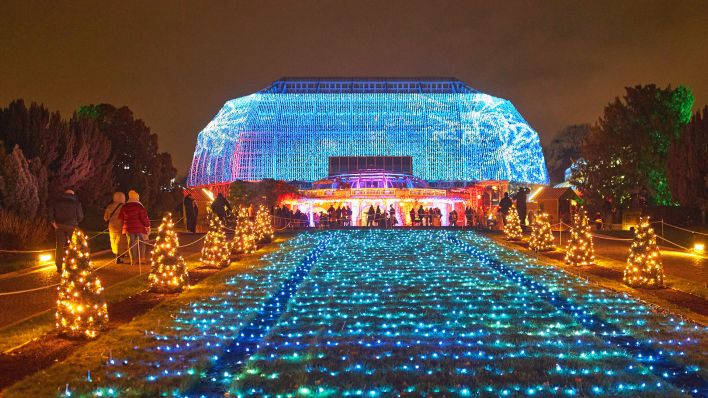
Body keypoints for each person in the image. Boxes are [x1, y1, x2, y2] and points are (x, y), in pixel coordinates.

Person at [49, 189, 84, 273]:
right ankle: (75, 264)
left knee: (59, 247)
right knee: (75, 246)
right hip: (72, 226)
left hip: (59, 226)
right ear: (72, 194)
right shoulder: (76, 203)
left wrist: (54, 224)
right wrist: (76, 222)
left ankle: (59, 267)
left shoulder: (56, 202)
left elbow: (50, 214)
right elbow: (81, 216)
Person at [120, 190, 150, 265]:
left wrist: (123, 227)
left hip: (128, 228)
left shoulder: (124, 206)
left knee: (131, 243)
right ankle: (141, 258)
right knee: (142, 242)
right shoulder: (139, 206)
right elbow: (144, 217)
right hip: (139, 227)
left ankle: (133, 259)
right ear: (137, 197)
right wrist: (147, 225)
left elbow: (121, 218)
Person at [104, 191, 127, 264]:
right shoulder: (125, 206)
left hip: (112, 226)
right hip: (121, 225)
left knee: (114, 241)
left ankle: (117, 256)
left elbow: (105, 218)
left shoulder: (110, 206)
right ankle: (121, 257)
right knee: (122, 241)